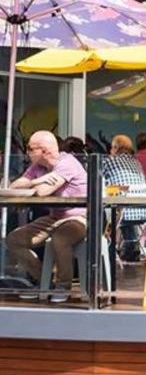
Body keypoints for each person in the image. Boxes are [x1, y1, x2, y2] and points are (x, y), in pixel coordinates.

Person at [6, 130, 87, 303]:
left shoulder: (67, 163)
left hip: (79, 216)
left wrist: (33, 184)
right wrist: (36, 181)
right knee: (14, 240)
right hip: (54, 217)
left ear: (43, 151)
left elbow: (43, 192)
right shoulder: (38, 166)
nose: (26, 152)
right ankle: (44, 281)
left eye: (30, 148)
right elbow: (14, 186)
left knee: (60, 239)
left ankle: (63, 286)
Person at [103, 134, 146, 262]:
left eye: (112, 147)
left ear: (116, 148)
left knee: (106, 208)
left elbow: (99, 181)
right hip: (142, 211)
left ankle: (107, 249)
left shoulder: (108, 161)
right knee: (120, 203)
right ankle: (131, 247)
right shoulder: (136, 163)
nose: (110, 150)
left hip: (121, 213)